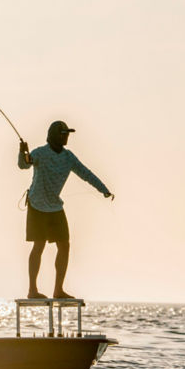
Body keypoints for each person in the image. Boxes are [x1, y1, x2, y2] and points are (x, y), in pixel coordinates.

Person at [18, 120, 114, 299]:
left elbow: (85, 173)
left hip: (55, 205)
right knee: (38, 245)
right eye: (63, 134)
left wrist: (103, 189)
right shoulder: (40, 153)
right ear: (55, 135)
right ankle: (32, 290)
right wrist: (22, 152)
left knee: (65, 245)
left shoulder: (68, 157)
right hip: (37, 203)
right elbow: (24, 165)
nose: (66, 137)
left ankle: (58, 290)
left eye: (67, 134)